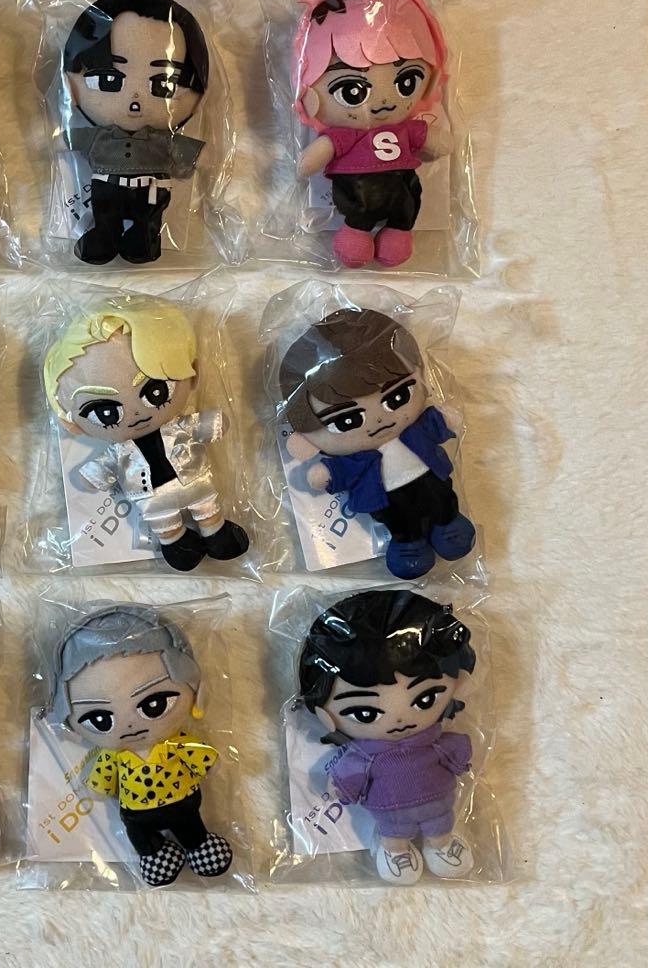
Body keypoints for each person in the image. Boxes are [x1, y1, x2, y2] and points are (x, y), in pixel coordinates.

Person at [43, 295, 248, 570]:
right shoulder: (119, 451)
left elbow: (201, 425)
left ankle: (215, 529)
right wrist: (93, 475)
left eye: (156, 392)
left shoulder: (177, 427)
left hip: (194, 480)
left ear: (193, 375)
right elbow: (104, 468)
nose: (137, 414)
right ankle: (175, 540)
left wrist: (214, 423)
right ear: (73, 424)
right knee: (165, 522)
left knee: (205, 504)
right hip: (153, 498)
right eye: (106, 412)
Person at [278, 307, 474, 578]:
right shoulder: (356, 458)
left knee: (441, 497)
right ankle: (409, 544)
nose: (379, 420)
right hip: (387, 500)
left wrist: (443, 419)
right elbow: (340, 470)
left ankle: (448, 523)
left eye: (396, 398)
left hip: (430, 481)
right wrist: (325, 472)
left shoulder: (414, 430)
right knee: (399, 520)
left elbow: (435, 424)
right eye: (346, 421)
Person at [298, 589, 477, 885]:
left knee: (440, 825)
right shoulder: (364, 757)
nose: (399, 719)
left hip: (439, 805)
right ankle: (396, 852)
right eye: (365, 713)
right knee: (394, 833)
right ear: (324, 714)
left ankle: (441, 845)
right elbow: (348, 776)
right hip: (391, 815)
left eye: (425, 699)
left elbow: (454, 750)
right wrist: (343, 788)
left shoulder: (432, 742)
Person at [48, 603, 233, 886]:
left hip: (181, 803)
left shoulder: (175, 743)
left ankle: (199, 845)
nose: (131, 726)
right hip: (137, 814)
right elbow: (101, 783)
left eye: (154, 704)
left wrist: (210, 763)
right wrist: (94, 788)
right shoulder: (112, 757)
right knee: (140, 836)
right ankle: (154, 853)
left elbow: (204, 758)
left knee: (190, 826)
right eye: (100, 719)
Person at [294, 0, 451, 268]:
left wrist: (441, 143)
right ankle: (357, 232)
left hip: (403, 187)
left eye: (406, 82)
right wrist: (306, 162)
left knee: (405, 210)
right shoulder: (346, 135)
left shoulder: (404, 128)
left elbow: (435, 142)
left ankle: (398, 232)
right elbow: (320, 152)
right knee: (359, 216)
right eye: (351, 90)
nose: (383, 103)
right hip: (358, 192)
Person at [63, 0, 208, 264]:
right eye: (108, 80)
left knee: (147, 219)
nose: (134, 100)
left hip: (150, 189)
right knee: (105, 215)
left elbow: (195, 155)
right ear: (70, 84)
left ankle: (144, 238)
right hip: (107, 187)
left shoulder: (163, 140)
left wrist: (203, 158)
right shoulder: (99, 136)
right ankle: (105, 236)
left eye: (164, 84)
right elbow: (65, 140)